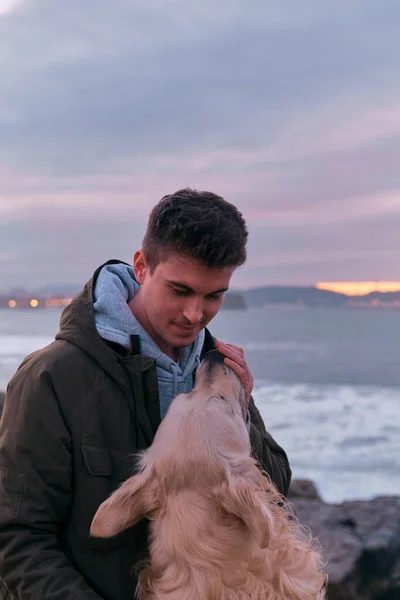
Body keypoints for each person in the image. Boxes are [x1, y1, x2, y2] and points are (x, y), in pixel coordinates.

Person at [0, 188, 291, 600]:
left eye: (213, 296)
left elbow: (275, 496)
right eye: (180, 290)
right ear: (142, 266)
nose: (195, 314)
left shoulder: (216, 369)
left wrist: (238, 410)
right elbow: (18, 537)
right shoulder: (52, 378)